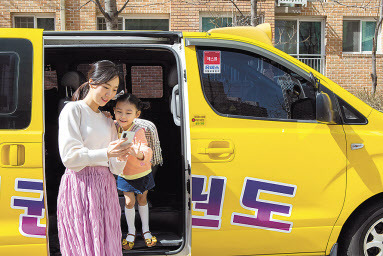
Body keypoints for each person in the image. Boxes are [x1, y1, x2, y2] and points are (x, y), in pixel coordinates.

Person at [57, 60, 130, 256]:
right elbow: (69, 158)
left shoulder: (107, 119)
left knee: (107, 245)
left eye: (114, 90)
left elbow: (115, 168)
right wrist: (106, 153)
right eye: (106, 87)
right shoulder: (73, 110)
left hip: (105, 187)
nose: (110, 94)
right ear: (91, 83)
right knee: (85, 246)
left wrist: (123, 153)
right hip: (80, 185)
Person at [113, 93, 157, 250]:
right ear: (113, 111)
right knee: (129, 202)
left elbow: (145, 149)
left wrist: (137, 153)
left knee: (142, 200)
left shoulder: (138, 130)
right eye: (119, 111)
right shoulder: (113, 126)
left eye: (128, 112)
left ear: (137, 114)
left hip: (141, 173)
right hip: (124, 174)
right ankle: (131, 230)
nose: (123, 116)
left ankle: (146, 229)